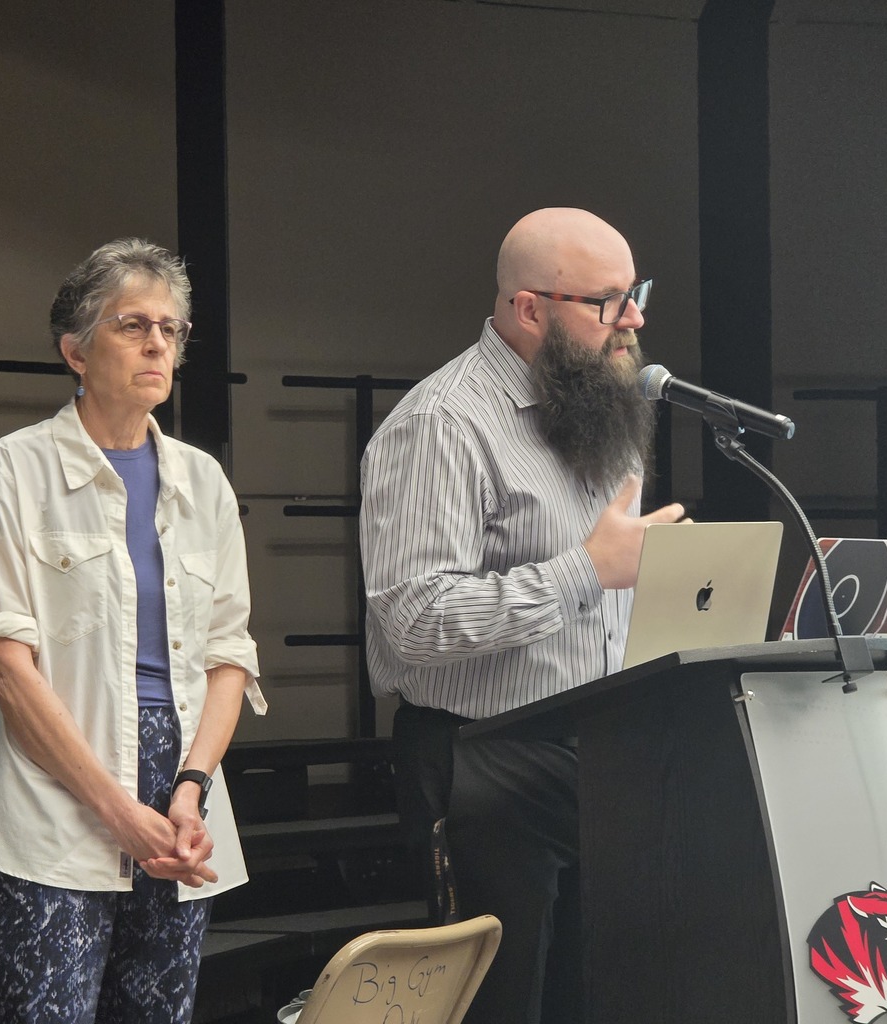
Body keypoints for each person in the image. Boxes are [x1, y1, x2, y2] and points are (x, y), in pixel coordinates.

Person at [359, 208, 686, 1024]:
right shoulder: (442, 425)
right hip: (484, 761)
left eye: (635, 292)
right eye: (608, 300)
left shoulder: (604, 413)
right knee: (506, 1006)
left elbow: (614, 597)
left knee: (598, 994)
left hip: (603, 751)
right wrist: (587, 570)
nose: (634, 318)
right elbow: (415, 620)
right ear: (529, 309)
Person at [0, 238, 267, 1024]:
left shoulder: (205, 481)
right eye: (134, 326)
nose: (159, 343)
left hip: (180, 796)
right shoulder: (14, 469)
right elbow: (5, 665)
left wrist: (189, 790)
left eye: (172, 329)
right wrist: (117, 810)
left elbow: (228, 656)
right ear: (75, 351)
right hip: (56, 797)